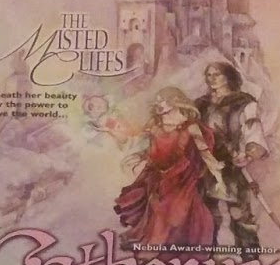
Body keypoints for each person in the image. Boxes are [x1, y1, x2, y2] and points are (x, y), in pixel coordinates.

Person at [113, 86, 225, 249]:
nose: (158, 104)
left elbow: (205, 153)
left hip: (180, 178)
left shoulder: (190, 126)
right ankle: (155, 249)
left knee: (177, 215)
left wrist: (219, 178)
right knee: (156, 212)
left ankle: (177, 249)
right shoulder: (155, 124)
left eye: (162, 100)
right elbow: (140, 142)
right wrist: (125, 142)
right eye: (157, 100)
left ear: (175, 101)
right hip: (157, 176)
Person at [193, 61, 269, 248]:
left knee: (240, 215)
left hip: (232, 165)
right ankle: (208, 261)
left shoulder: (243, 103)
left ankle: (249, 261)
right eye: (209, 75)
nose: (212, 79)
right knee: (207, 217)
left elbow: (253, 130)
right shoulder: (200, 105)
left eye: (217, 74)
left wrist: (248, 155)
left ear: (228, 77)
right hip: (205, 165)